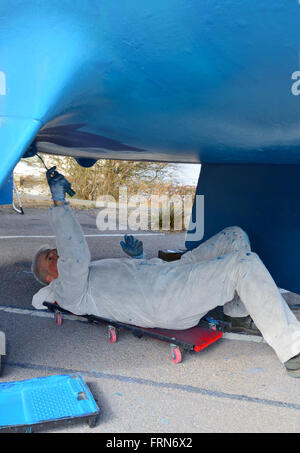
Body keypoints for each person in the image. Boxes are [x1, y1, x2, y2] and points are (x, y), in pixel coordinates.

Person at [32, 168, 300, 378]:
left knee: (234, 236)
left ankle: (237, 314)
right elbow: (75, 255)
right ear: (48, 279)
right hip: (164, 299)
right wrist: (59, 204)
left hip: (168, 275)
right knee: (244, 263)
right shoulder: (67, 292)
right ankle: (293, 351)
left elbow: (122, 282)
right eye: (50, 258)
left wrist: (138, 258)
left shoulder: (86, 274)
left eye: (54, 252)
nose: (56, 255)